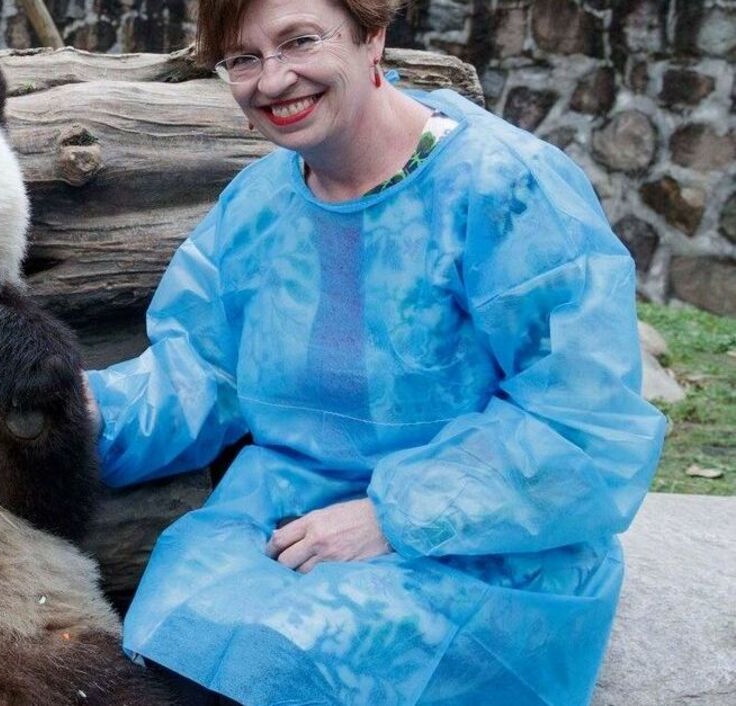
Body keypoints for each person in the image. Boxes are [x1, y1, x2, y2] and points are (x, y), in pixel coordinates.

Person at [86, 0, 668, 702]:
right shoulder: (258, 203)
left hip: (485, 544)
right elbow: (204, 368)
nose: (272, 80)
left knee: (287, 660)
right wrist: (80, 409)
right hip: (285, 515)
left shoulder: (507, 192)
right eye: (242, 58)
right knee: (165, 644)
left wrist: (394, 515)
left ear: (373, 37)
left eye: (299, 41)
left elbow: (581, 422)